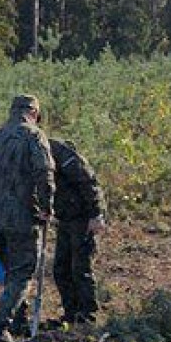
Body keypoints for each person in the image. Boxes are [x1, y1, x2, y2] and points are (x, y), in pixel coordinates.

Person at [0, 94, 55, 342]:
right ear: (35, 114)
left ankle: (20, 319)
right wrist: (47, 208)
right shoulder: (34, 136)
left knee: (11, 272)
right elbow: (45, 172)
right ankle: (0, 328)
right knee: (22, 273)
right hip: (23, 217)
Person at [49, 138, 106, 327]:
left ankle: (88, 317)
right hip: (65, 218)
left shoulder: (58, 151)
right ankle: (72, 314)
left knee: (80, 268)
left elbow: (88, 180)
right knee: (60, 269)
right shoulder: (29, 153)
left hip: (83, 217)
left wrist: (96, 214)